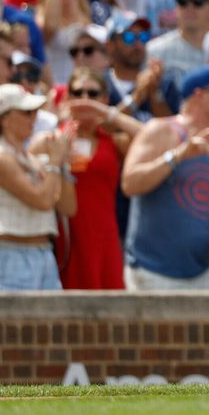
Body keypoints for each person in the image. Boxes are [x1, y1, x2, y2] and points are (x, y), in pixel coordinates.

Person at [120, 66, 209, 290]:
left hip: (201, 277)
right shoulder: (162, 130)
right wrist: (178, 156)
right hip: (152, 274)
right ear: (199, 95)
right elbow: (130, 183)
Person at [38, 68, 142, 289]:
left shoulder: (113, 142)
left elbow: (149, 137)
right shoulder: (52, 139)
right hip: (68, 237)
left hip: (105, 237)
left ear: (104, 98)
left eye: (93, 94)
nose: (85, 100)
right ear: (67, 97)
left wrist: (106, 112)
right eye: (77, 93)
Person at [0, 84, 75, 290]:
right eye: (27, 112)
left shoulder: (30, 157)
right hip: (10, 257)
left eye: (35, 112)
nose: (34, 118)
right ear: (5, 119)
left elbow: (68, 207)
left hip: (44, 254)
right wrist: (55, 160)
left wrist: (62, 163)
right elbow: (43, 200)